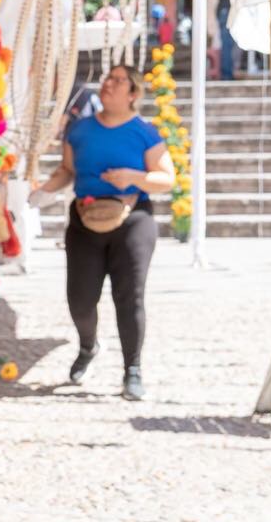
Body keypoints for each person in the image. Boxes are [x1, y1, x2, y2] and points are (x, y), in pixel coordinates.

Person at [28, 65, 174, 400]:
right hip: (84, 218)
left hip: (133, 217)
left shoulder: (145, 132)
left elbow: (167, 178)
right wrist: (42, 193)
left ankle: (132, 370)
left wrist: (132, 177)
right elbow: (67, 170)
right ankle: (88, 346)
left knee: (129, 296)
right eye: (108, 78)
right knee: (80, 299)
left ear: (133, 94)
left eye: (118, 81)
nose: (108, 83)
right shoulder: (79, 130)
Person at [217, 0, 236, 81]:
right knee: (228, 46)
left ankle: (226, 73)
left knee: (226, 45)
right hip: (228, 14)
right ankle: (227, 74)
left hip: (223, 13)